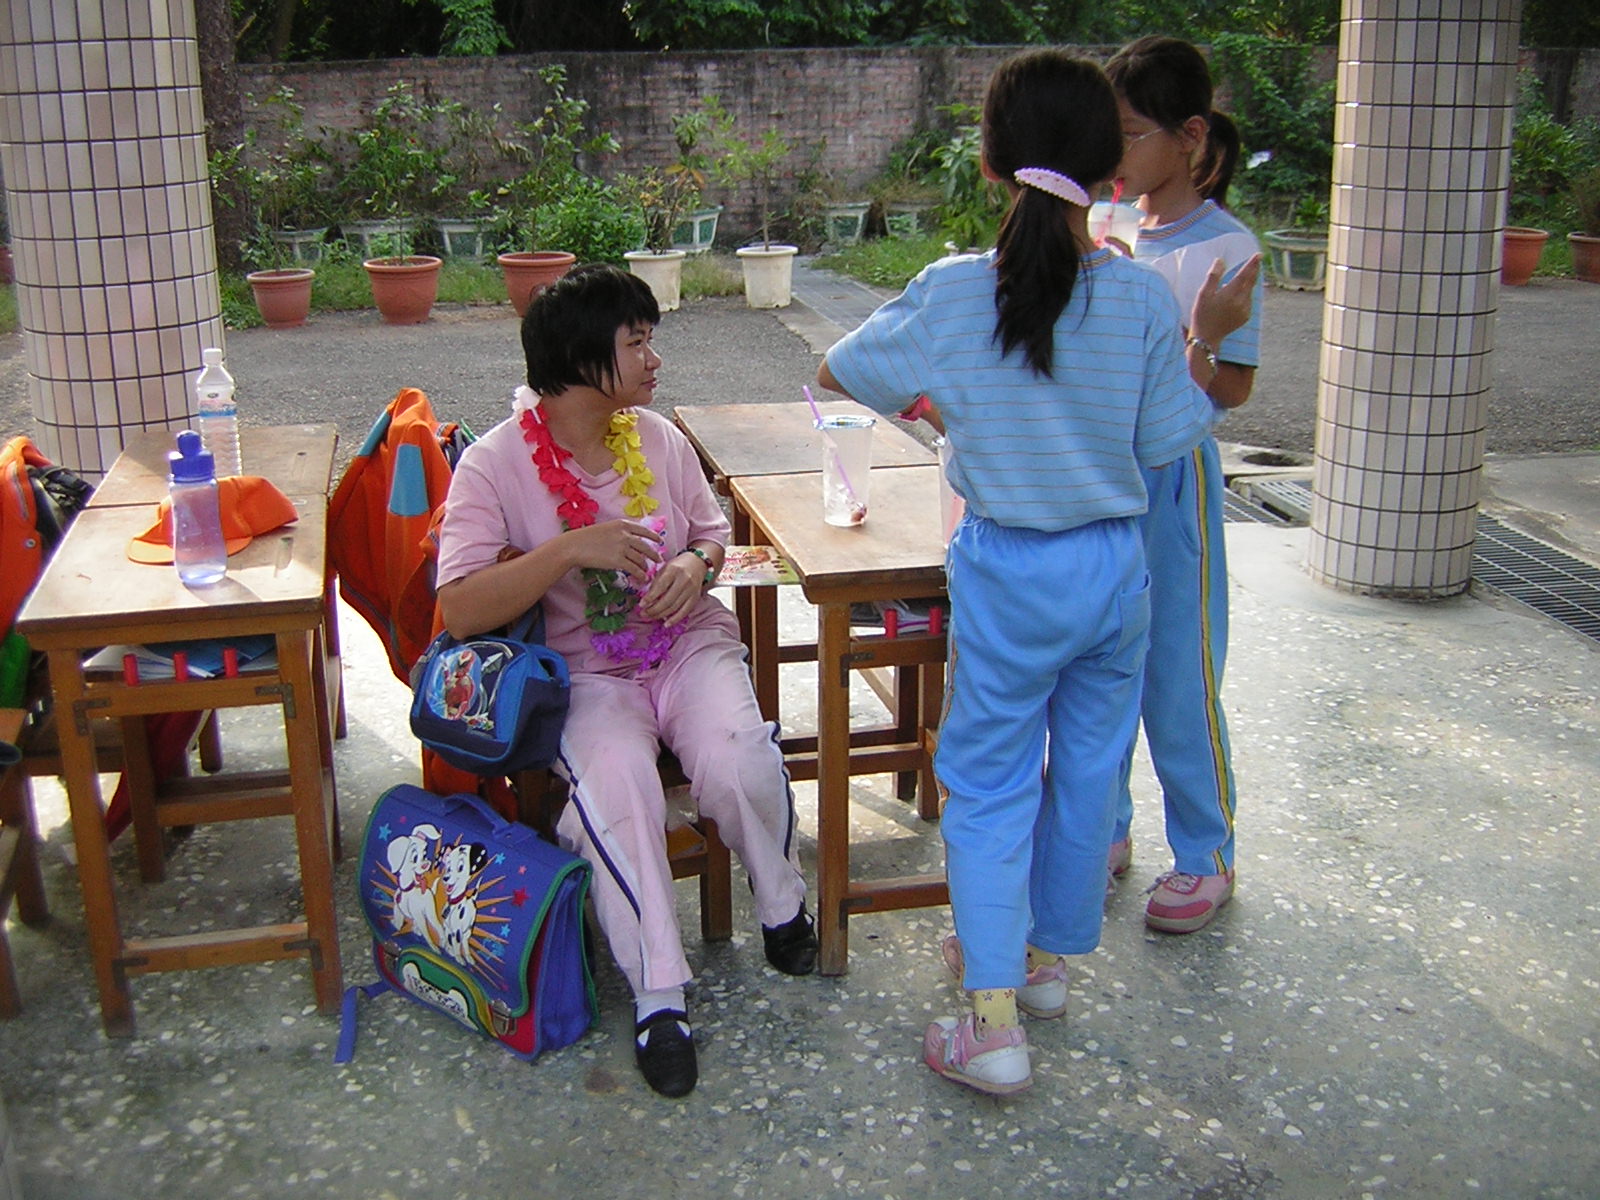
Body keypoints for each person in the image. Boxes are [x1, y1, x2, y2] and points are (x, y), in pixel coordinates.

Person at [815, 49, 1259, 1095]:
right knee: (1086, 776)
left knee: (986, 783)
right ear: (1109, 170)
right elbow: (1172, 438)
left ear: (991, 165)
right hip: (1113, 575)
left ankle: (992, 1023)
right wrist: (1206, 340)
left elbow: (839, 370)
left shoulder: (952, 293)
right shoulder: (1141, 300)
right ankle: (1044, 967)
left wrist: (950, 411)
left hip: (1010, 573)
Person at [434, 264, 817, 1099]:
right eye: (637, 342)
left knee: (738, 755)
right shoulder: (494, 465)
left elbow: (712, 533)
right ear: (580, 358)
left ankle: (783, 906)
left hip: (684, 647)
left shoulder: (657, 439)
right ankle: (658, 997)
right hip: (582, 674)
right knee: (618, 793)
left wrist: (695, 562)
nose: (654, 360)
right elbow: (458, 609)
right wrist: (569, 550)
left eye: (651, 340)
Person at [1103, 35, 1264, 934]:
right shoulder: (1109, 229)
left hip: (1174, 481)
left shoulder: (1227, 248)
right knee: (1101, 662)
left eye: (1131, 133)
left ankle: (1206, 854)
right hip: (1104, 474)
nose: (1116, 151)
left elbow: (1230, 389)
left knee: (1177, 671)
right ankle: (1104, 829)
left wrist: (1203, 335)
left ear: (1190, 136)